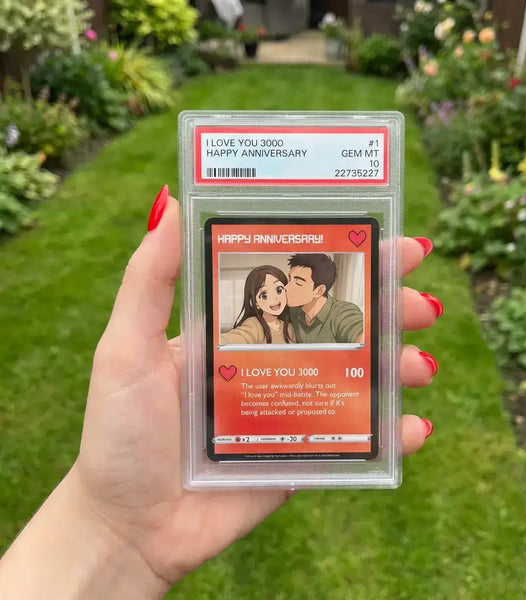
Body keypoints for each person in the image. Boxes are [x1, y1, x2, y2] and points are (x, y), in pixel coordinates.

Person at [0, 186, 442, 598]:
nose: (278, 295)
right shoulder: (255, 327)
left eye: (286, 286)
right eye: (269, 291)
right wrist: (109, 521)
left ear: (317, 290)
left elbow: (356, 330)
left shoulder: (312, 319)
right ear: (255, 299)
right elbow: (233, 339)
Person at [286, 253, 364, 343]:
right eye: (289, 279)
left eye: (298, 283)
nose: (286, 287)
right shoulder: (294, 310)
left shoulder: (342, 312)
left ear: (319, 291)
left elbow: (363, 337)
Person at [220, 265, 295, 345]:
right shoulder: (254, 325)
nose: (274, 298)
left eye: (279, 290)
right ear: (256, 303)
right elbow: (237, 337)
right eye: (264, 295)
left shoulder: (289, 328)